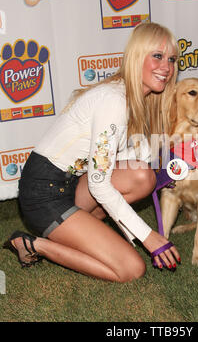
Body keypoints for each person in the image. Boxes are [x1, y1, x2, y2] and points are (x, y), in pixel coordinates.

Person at [3, 22, 181, 282]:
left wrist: (163, 166)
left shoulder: (134, 98)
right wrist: (148, 236)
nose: (166, 67)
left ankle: (85, 236)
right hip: (43, 193)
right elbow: (99, 185)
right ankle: (34, 244)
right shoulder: (114, 100)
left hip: (73, 183)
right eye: (157, 56)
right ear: (136, 56)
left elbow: (111, 161)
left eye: (172, 59)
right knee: (131, 269)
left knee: (142, 176)